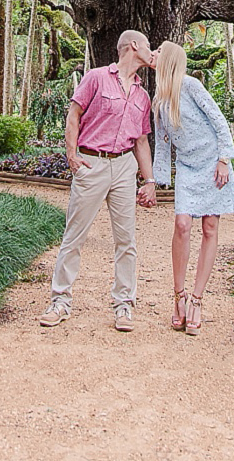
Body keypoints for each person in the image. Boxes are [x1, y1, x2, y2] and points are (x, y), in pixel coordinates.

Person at [40, 29, 157, 332]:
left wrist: (149, 181)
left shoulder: (143, 95)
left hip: (124, 168)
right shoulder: (95, 77)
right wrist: (71, 154)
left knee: (126, 241)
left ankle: (124, 306)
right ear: (134, 46)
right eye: (148, 46)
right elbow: (74, 115)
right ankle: (60, 301)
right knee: (74, 236)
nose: (151, 51)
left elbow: (141, 141)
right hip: (91, 163)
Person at [152, 40, 234, 336]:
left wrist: (224, 160)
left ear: (169, 60)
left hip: (212, 162)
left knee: (210, 228)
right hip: (189, 168)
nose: (154, 55)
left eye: (158, 53)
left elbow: (219, 121)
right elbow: (163, 147)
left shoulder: (191, 86)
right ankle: (179, 297)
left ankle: (197, 300)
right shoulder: (160, 99)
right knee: (181, 225)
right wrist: (157, 180)